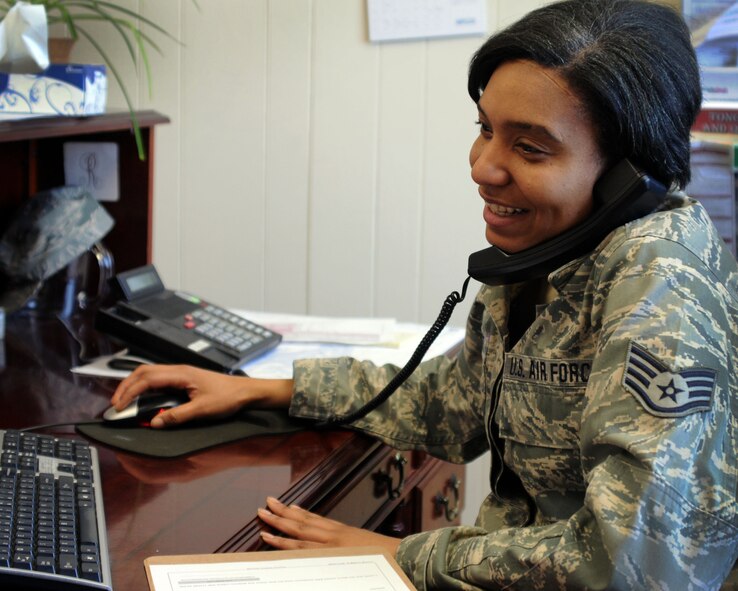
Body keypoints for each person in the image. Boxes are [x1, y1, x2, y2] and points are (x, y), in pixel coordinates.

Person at [111, 0, 738, 588]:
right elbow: (456, 402)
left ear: (627, 175)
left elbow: (642, 563)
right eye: (484, 128)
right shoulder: (550, 250)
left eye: (529, 147)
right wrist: (269, 389)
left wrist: (403, 554)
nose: (483, 166)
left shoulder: (660, 285)